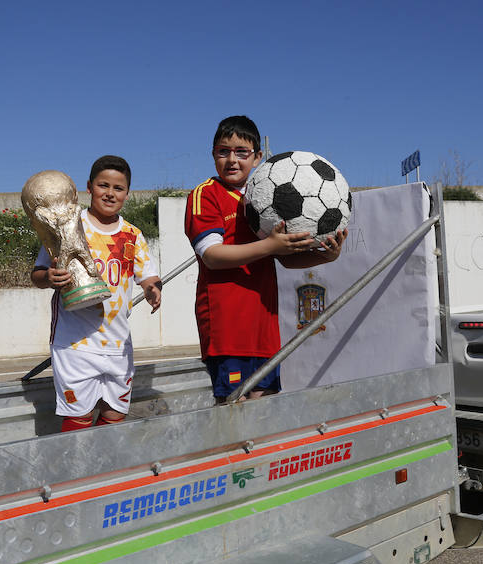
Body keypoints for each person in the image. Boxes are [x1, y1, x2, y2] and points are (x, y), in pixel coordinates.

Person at [184, 115, 347, 405]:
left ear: (258, 157)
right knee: (233, 409)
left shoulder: (264, 199)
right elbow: (212, 256)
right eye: (223, 152)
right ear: (213, 155)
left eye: (241, 152)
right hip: (227, 329)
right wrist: (269, 243)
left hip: (264, 328)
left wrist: (325, 256)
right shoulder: (204, 195)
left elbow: (284, 259)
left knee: (265, 406)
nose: (232, 160)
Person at [32, 155, 161, 431]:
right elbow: (38, 273)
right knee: (78, 417)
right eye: (104, 185)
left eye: (118, 188)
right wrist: (49, 277)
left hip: (117, 344)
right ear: (89, 187)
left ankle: (106, 471)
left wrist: (152, 290)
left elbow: (148, 276)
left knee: (115, 415)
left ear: (127, 193)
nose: (110, 193)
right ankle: (77, 474)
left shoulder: (132, 235)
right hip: (75, 344)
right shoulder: (66, 225)